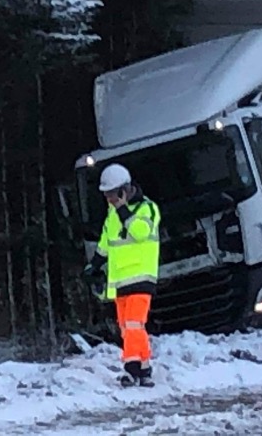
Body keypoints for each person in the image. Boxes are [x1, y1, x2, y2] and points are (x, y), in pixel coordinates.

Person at [84, 163, 162, 387]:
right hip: (120, 281)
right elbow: (106, 243)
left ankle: (131, 368)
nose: (108, 199)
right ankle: (144, 366)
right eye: (106, 195)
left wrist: (122, 209)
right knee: (128, 327)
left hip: (141, 278)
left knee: (134, 323)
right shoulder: (113, 215)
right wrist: (95, 265)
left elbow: (140, 232)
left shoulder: (148, 209)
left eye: (111, 194)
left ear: (124, 190)